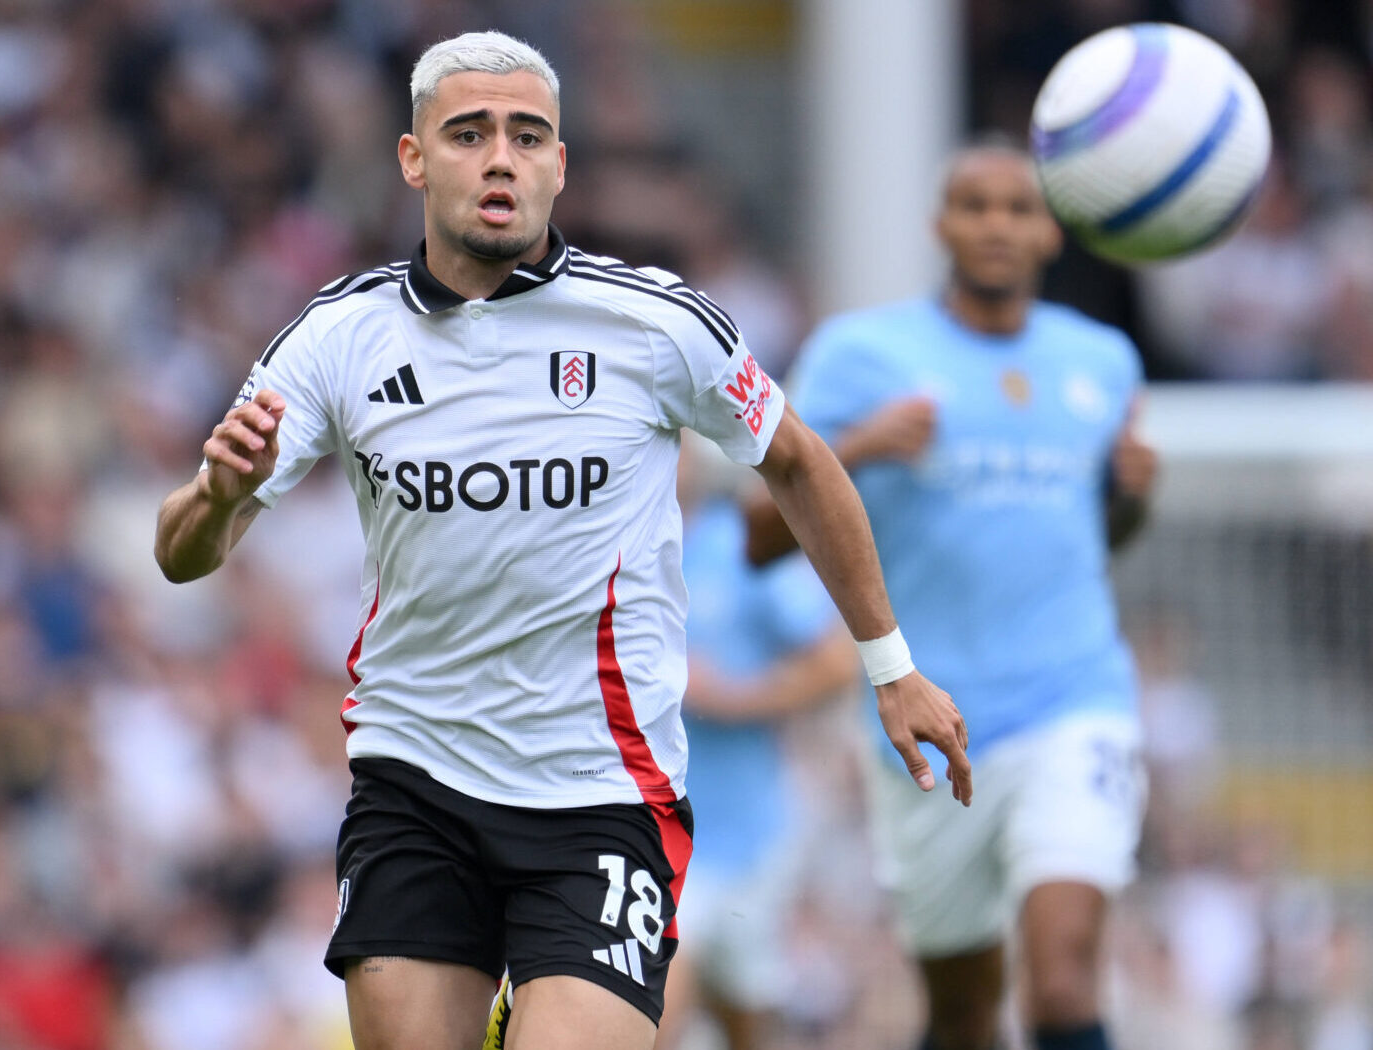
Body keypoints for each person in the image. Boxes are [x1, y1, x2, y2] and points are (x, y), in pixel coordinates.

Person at [149, 31, 970, 1050]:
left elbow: (800, 464)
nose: (500, 156)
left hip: (601, 795)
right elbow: (182, 551)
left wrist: (890, 667)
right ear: (413, 158)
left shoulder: (655, 325)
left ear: (559, 165)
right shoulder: (337, 336)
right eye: (469, 133)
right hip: (416, 781)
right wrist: (220, 496)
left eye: (527, 135)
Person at [752, 140, 1157, 1050]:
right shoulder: (862, 356)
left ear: (1051, 230)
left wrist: (1130, 495)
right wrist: (855, 445)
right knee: (965, 1012)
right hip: (929, 720)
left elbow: (1103, 535)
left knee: (1060, 979)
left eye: (1018, 208)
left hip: (1074, 701)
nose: (997, 225)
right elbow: (757, 534)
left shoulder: (1104, 362)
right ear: (941, 224)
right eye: (974, 206)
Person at [656, 445, 859, 1050]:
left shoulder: (736, 550)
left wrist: (732, 697)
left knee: (745, 1019)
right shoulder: (605, 553)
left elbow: (834, 664)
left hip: (746, 837)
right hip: (649, 835)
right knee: (657, 1008)